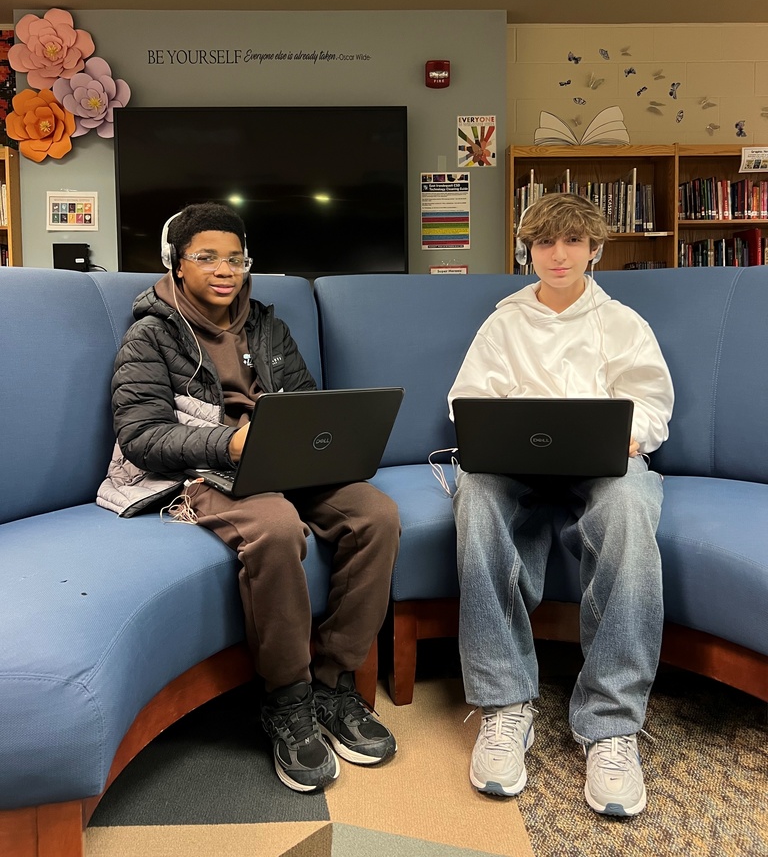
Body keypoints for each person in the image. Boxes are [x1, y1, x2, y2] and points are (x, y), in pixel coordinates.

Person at [97, 202, 400, 793]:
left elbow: (306, 401)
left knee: (377, 515)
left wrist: (318, 441)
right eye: (206, 257)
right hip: (206, 470)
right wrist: (229, 442)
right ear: (176, 263)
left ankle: (333, 683)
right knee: (277, 528)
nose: (224, 270)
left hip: (285, 461)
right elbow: (140, 435)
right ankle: (287, 699)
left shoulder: (267, 325)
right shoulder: (150, 335)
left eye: (235, 259)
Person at [448, 193, 674, 817]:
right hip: (513, 468)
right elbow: (467, 400)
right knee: (475, 497)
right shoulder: (503, 323)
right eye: (545, 242)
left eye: (573, 241)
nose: (558, 254)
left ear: (594, 249)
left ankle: (611, 725)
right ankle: (504, 704)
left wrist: (631, 435)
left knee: (630, 506)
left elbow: (652, 404)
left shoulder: (623, 323)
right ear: (529, 250)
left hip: (603, 468)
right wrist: (494, 434)